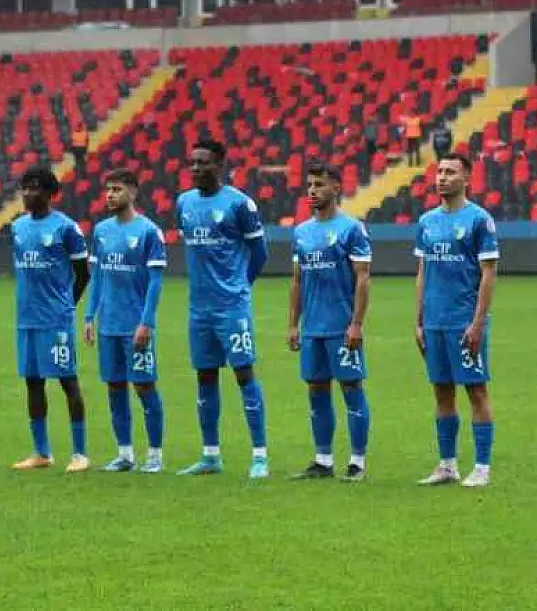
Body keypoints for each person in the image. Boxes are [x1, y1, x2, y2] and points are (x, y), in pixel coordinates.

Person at [175, 139, 270, 479]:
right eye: (193, 162)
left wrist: (240, 286)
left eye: (203, 163)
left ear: (220, 165)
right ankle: (210, 455)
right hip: (198, 308)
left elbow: (260, 252)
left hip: (232, 307)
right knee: (205, 377)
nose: (196, 168)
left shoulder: (240, 204)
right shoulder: (184, 202)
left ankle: (259, 455)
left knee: (244, 374)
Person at [415, 153, 498, 488]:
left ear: (467, 179)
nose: (442, 177)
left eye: (451, 172)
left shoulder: (480, 220)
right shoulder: (426, 222)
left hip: (464, 321)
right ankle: (447, 465)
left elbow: (489, 273)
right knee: (441, 392)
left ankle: (481, 467)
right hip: (434, 322)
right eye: (440, 171)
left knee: (476, 391)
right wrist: (418, 320)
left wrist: (478, 323)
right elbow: (422, 273)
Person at [286, 163, 372, 482]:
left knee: (351, 387)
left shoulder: (351, 229)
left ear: (336, 189)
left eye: (319, 185)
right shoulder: (301, 232)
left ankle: (357, 462)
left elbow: (363, 279)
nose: (312, 190)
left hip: (341, 326)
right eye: (309, 184)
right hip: (313, 329)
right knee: (316, 390)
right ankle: (323, 460)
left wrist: (356, 324)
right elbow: (297, 281)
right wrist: (293, 324)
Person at [83, 169, 166, 473]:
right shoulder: (102, 231)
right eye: (108, 189)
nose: (110, 195)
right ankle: (125, 454)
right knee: (114, 387)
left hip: (135, 326)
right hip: (108, 327)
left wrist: (147, 323)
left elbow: (156, 282)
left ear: (133, 193)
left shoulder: (148, 232)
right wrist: (90, 316)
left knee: (144, 387)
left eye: (117, 189)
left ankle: (155, 454)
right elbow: (98, 277)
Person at [10, 167, 92, 473]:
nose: (27, 194)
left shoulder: (66, 228)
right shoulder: (17, 228)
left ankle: (80, 453)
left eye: (34, 188)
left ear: (49, 193)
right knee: (33, 382)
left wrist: (66, 307)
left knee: (68, 382)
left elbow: (83, 274)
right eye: (24, 188)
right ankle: (41, 452)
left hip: (56, 321)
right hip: (26, 319)